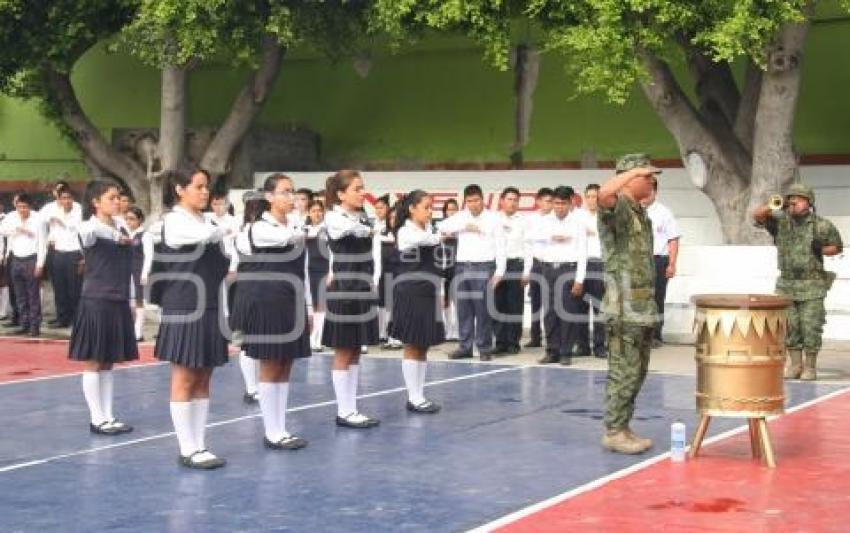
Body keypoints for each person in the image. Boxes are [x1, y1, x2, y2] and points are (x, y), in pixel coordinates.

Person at [148, 168, 234, 469]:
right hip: (184, 304)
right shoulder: (174, 221)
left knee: (204, 375)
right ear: (179, 190)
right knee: (184, 376)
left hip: (209, 303)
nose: (205, 192)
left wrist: (221, 227)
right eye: (198, 186)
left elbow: (225, 254)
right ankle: (187, 448)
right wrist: (224, 226)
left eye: (206, 187)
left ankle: (200, 443)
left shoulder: (207, 220)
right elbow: (207, 236)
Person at [231, 174, 310, 450]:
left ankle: (281, 427)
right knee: (270, 363)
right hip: (267, 300)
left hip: (290, 297)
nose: (291, 197)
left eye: (292, 192)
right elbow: (288, 237)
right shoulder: (261, 228)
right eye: (284, 192)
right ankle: (272, 431)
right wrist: (303, 227)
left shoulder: (293, 224)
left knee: (285, 363)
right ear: (269, 197)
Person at [597, 154, 660, 454]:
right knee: (623, 370)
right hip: (623, 306)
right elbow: (603, 195)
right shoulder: (618, 207)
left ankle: (623, 425)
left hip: (642, 306)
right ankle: (613, 431)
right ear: (630, 178)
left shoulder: (638, 212)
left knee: (637, 371)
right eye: (646, 176)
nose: (651, 180)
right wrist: (631, 171)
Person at [753, 182, 842, 381]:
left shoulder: (822, 225)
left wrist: (821, 249)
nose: (794, 201)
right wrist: (775, 204)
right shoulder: (781, 223)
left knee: (810, 326)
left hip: (812, 285)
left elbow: (837, 247)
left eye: (799, 198)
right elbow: (757, 215)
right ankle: (795, 365)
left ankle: (810, 367)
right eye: (791, 198)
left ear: (809, 203)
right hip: (787, 284)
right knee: (790, 327)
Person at [69, 179, 137, 435]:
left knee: (109, 361)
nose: (117, 201)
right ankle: (96, 418)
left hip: (117, 299)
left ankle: (108, 415)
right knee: (94, 361)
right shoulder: (90, 228)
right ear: (95, 202)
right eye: (111, 197)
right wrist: (114, 234)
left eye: (119, 197)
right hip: (96, 300)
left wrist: (130, 299)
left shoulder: (121, 227)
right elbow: (87, 234)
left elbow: (127, 266)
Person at [323, 170, 380, 428]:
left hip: (362, 285)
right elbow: (354, 231)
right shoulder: (334, 216)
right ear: (340, 194)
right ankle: (344, 411)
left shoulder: (363, 215)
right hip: (345, 287)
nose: (362, 193)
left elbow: (372, 230)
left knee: (356, 349)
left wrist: (368, 226)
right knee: (344, 350)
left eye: (362, 188)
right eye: (357, 189)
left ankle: (352, 407)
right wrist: (366, 228)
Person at [389, 190, 445, 413]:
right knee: (413, 344)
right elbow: (425, 240)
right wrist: (440, 234)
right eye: (426, 207)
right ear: (412, 208)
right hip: (411, 291)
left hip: (427, 290)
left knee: (423, 344)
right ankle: (413, 397)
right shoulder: (405, 231)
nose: (430, 212)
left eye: (432, 207)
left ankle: (419, 394)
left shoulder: (428, 229)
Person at [438, 184, 506, 361]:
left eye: (476, 200)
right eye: (469, 201)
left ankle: (484, 348)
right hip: (462, 266)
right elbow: (442, 226)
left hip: (484, 266)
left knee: (483, 309)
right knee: (464, 309)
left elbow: (501, 246)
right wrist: (463, 226)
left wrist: (500, 271)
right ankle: (465, 346)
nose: (473, 204)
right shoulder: (461, 217)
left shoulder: (494, 219)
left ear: (482, 199)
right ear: (465, 202)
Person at [528, 186, 587, 365]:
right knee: (549, 311)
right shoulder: (544, 222)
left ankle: (565, 352)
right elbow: (531, 240)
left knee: (567, 311)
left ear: (570, 203)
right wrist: (550, 238)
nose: (559, 207)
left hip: (568, 269)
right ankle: (552, 350)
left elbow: (582, 253)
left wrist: (579, 279)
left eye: (563, 203)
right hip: (547, 269)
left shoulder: (577, 224)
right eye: (556, 203)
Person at [229, 191, 267, 404]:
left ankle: (253, 387)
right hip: (255, 288)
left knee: (250, 340)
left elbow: (234, 264)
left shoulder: (241, 232)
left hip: (247, 288)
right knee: (250, 341)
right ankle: (253, 388)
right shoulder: (250, 233)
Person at [0, 193, 47, 337]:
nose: (22, 210)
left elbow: (42, 243)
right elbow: (1, 231)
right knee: (19, 295)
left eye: (25, 207)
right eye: (19, 207)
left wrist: (40, 264)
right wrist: (17, 229)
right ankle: (24, 323)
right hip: (15, 258)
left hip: (31, 258)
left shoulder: (38, 219)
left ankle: (34, 326)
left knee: (32, 295)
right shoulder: (11, 217)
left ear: (30, 207)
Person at [643, 177, 680, 347]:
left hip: (658, 260)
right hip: (638, 262)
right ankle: (640, 334)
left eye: (649, 190)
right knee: (639, 298)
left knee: (657, 298)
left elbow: (673, 239)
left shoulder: (664, 212)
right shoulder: (633, 211)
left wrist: (672, 263)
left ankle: (655, 335)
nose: (645, 194)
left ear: (655, 192)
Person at [493, 187, 527, 355]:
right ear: (502, 201)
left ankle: (513, 342)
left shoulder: (523, 221)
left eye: (515, 200)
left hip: (516, 266)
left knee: (515, 306)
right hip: (497, 267)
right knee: (498, 305)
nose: (512, 203)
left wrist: (527, 271)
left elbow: (529, 248)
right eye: (509, 199)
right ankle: (500, 342)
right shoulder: (493, 219)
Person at [44, 184, 83, 328]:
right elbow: (41, 219)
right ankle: (62, 317)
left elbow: (76, 226)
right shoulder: (53, 210)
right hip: (59, 252)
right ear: (59, 199)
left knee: (74, 288)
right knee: (59, 287)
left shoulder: (78, 208)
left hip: (74, 253)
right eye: (63, 198)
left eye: (68, 198)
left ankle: (76, 318)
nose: (66, 201)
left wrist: (62, 221)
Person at [575, 184, 607, 358]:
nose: (591, 200)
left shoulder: (607, 217)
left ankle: (600, 345)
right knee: (580, 307)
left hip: (599, 265)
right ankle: (582, 346)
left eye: (595, 196)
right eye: (588, 196)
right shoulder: (578, 217)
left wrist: (593, 232)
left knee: (599, 307)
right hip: (580, 265)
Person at [522, 187, 553, 348]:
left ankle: (551, 337)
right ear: (538, 201)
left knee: (550, 303)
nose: (549, 204)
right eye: (546, 201)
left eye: (551, 201)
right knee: (536, 302)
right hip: (535, 264)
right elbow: (528, 243)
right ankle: (535, 337)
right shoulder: (530, 219)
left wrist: (542, 237)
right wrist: (527, 271)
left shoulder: (556, 219)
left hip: (550, 265)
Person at [373, 195, 402, 349]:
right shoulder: (382, 235)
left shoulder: (404, 235)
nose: (393, 220)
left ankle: (397, 336)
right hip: (384, 274)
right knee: (384, 305)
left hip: (399, 274)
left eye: (395, 218)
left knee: (396, 305)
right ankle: (386, 334)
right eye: (390, 218)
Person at [305, 199, 330, 352]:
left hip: (323, 270)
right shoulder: (304, 229)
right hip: (308, 271)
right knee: (312, 305)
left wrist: (330, 272)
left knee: (321, 305)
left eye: (319, 211)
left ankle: (318, 338)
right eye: (314, 211)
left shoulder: (326, 230)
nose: (317, 213)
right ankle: (312, 336)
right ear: (309, 212)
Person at [124, 206, 150, 341]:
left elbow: (149, 255)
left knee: (139, 301)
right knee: (129, 302)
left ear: (140, 220)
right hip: (127, 271)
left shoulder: (145, 235)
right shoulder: (128, 235)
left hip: (138, 270)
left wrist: (145, 273)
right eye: (127, 219)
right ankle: (131, 329)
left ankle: (138, 332)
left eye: (132, 219)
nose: (129, 222)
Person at [439, 199, 460, 341]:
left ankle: (458, 330)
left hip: (458, 266)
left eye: (454, 209)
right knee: (445, 300)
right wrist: (443, 236)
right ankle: (448, 330)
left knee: (458, 299)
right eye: (449, 209)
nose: (451, 212)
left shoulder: (461, 225)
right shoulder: (440, 226)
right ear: (445, 211)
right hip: (443, 266)